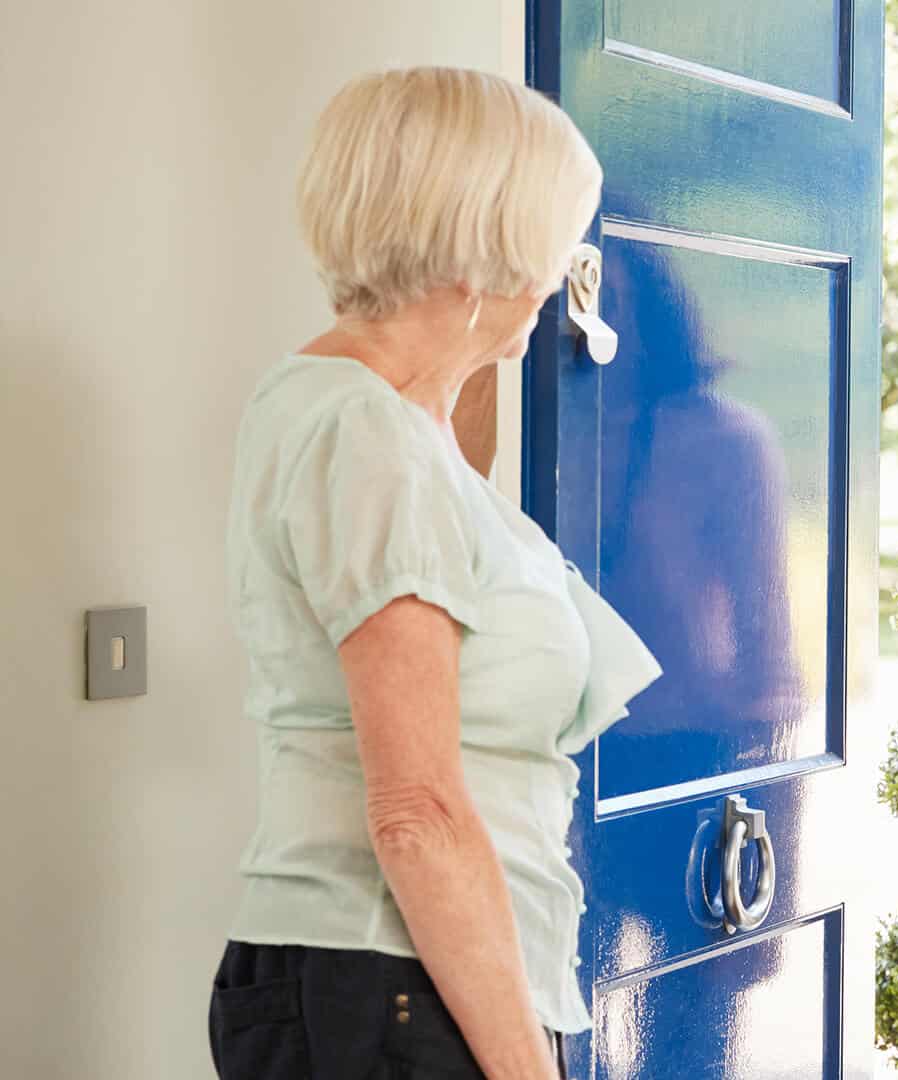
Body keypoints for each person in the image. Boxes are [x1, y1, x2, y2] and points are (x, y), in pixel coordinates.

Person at [208, 67, 662, 1079]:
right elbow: (415, 811)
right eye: (555, 239)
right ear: (490, 244)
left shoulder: (369, 415)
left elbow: (455, 478)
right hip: (392, 981)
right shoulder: (368, 439)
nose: (560, 276)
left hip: (398, 977)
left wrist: (466, 348)